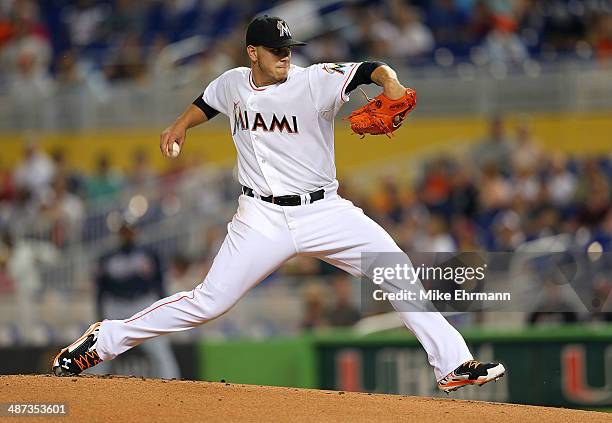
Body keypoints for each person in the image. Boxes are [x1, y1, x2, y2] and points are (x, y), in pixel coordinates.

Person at [53, 15, 505, 392]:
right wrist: (180, 125)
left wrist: (391, 83)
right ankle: (106, 338)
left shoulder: (313, 81)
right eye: (276, 50)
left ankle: (453, 364)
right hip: (261, 217)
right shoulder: (233, 83)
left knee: (393, 268)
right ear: (253, 53)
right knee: (209, 302)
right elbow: (207, 102)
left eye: (288, 47)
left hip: (323, 210)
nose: (285, 55)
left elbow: (370, 68)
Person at [91, 222, 180, 379]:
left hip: (143, 304)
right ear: (120, 233)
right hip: (116, 306)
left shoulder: (149, 254)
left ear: (136, 231)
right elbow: (100, 289)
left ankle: (171, 383)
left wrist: (164, 308)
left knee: (159, 349)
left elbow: (159, 283)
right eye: (125, 231)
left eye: (130, 230)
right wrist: (100, 311)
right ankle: (90, 385)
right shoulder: (107, 257)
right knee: (102, 346)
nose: (128, 234)